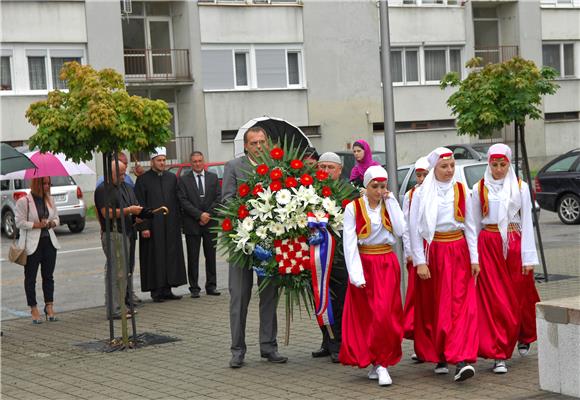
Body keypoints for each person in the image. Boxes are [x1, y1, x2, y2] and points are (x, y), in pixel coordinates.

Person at [409, 147, 479, 382]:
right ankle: (440, 352)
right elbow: (414, 229)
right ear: (434, 168)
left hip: (458, 250)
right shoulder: (421, 194)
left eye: (451, 166)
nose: (449, 170)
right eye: (444, 166)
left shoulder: (461, 190)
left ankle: (460, 359)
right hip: (434, 252)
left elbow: (470, 226)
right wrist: (420, 261)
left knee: (460, 307)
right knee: (437, 306)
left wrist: (474, 257)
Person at [471, 143, 540, 374]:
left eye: (503, 164)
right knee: (495, 300)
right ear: (488, 164)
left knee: (518, 296)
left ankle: (523, 334)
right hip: (489, 245)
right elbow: (473, 225)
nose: (498, 169)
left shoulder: (520, 187)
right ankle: (498, 353)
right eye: (494, 164)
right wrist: (474, 257)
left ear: (509, 165)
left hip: (514, 244)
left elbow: (528, 224)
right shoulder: (478, 188)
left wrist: (528, 257)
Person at [222, 126, 287, 368]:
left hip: (269, 243)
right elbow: (227, 200)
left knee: (269, 295)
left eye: (262, 142)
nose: (259, 146)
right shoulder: (234, 167)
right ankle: (237, 350)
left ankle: (269, 346)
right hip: (242, 242)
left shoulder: (275, 167)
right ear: (246, 146)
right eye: (254, 143)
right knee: (239, 296)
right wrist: (251, 215)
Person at [339, 165, 406, 386]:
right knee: (369, 316)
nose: (379, 191)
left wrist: (392, 201)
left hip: (387, 264)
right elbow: (349, 244)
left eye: (382, 186)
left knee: (386, 315)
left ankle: (383, 362)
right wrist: (356, 275)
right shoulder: (353, 208)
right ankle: (376, 361)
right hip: (365, 263)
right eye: (374, 186)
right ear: (365, 186)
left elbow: (400, 229)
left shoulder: (389, 204)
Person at [134, 147, 187, 302]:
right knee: (154, 257)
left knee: (170, 256)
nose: (162, 163)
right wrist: (143, 227)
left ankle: (168, 288)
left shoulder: (171, 178)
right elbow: (139, 204)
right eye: (159, 160)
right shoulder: (143, 180)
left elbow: (178, 201)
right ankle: (156, 291)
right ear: (152, 161)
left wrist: (180, 223)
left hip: (170, 225)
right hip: (152, 226)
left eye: (164, 160)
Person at [311, 152, 348, 363]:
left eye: (330, 168)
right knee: (320, 298)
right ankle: (327, 340)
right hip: (317, 256)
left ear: (339, 170)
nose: (325, 171)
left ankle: (339, 343)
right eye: (322, 167)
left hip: (340, 257)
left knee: (339, 301)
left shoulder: (347, 191)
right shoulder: (312, 191)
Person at [94, 161, 143, 320]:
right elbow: (106, 213)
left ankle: (121, 305)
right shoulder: (103, 189)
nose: (123, 177)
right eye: (120, 174)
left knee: (123, 273)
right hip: (114, 233)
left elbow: (132, 205)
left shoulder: (124, 187)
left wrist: (137, 215)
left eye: (124, 173)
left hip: (127, 231)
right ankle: (115, 309)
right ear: (110, 173)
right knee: (116, 272)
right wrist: (129, 211)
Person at [15, 177, 61, 324]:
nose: (47, 186)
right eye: (44, 183)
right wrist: (36, 225)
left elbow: (57, 218)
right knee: (30, 278)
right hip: (31, 244)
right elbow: (19, 222)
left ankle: (49, 306)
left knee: (48, 276)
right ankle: (33, 308)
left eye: (49, 183)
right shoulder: (24, 201)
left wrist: (51, 223)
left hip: (49, 242)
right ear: (36, 183)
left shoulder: (50, 199)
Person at [177, 151, 222, 298]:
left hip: (210, 223)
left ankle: (211, 286)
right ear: (191, 163)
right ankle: (194, 288)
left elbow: (218, 198)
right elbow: (183, 201)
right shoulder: (183, 180)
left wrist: (207, 214)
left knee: (211, 256)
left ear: (204, 162)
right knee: (193, 257)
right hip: (192, 224)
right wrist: (199, 215)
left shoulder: (213, 177)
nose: (197, 164)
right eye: (194, 161)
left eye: (200, 161)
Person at [401, 156, 429, 360]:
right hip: (417, 255)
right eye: (418, 175)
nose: (421, 179)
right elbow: (406, 227)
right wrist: (409, 252)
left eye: (424, 175)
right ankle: (420, 343)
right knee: (417, 301)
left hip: (432, 252)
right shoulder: (411, 195)